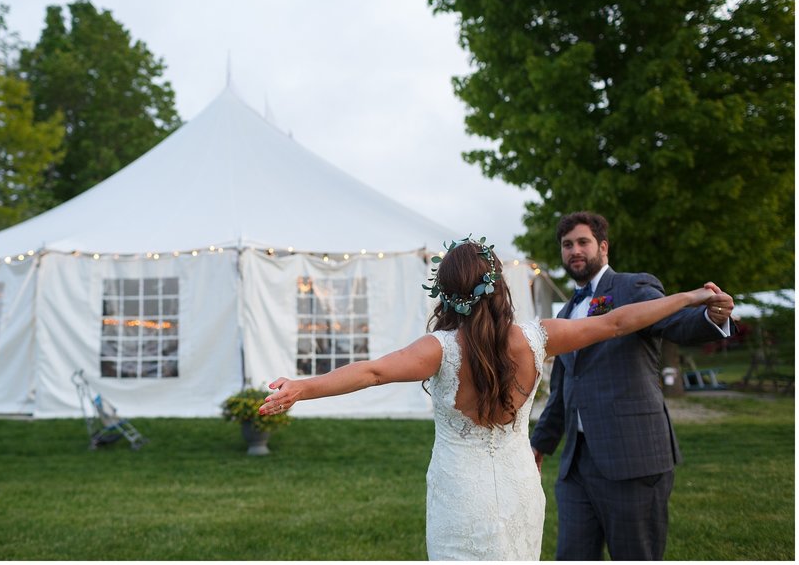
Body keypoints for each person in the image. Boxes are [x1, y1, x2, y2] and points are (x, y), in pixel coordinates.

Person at [259, 235, 729, 560]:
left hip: (461, 495)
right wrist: (688, 297)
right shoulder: (537, 338)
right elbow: (617, 323)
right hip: (521, 487)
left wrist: (303, 387)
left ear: (445, 293)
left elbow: (373, 371)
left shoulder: (438, 350)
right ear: (499, 286)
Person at [530, 211, 734, 561]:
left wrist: (709, 317)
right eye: (567, 245)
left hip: (633, 456)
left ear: (603, 247)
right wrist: (540, 446)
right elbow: (565, 389)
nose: (574, 250)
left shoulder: (632, 286)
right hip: (577, 466)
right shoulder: (564, 314)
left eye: (583, 242)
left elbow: (676, 321)